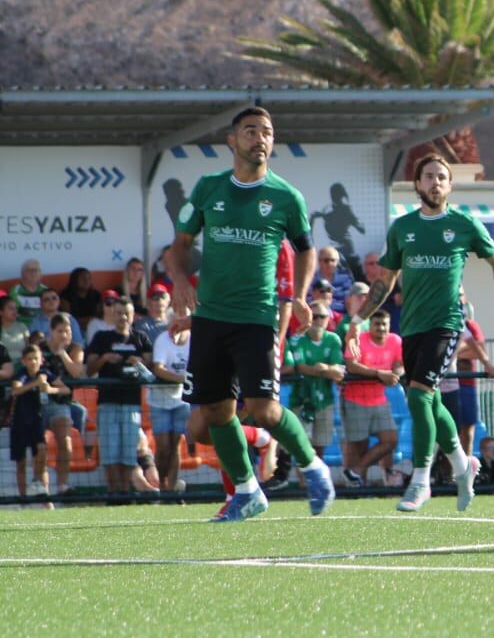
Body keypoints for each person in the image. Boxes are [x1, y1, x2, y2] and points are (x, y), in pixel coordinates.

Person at [163, 106, 336, 521]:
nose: (260, 138)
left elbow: (308, 249)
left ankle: (314, 467)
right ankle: (246, 490)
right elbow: (179, 246)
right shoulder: (208, 188)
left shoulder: (285, 196)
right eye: (251, 130)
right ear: (232, 140)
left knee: (263, 410)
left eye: (268, 132)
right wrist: (182, 282)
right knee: (215, 415)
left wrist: (299, 294)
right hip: (210, 318)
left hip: (257, 317)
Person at [366, 153, 494, 511]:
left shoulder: (464, 225)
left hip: (446, 325)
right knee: (428, 400)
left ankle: (420, 481)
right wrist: (358, 321)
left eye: (441, 177)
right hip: (411, 328)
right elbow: (385, 281)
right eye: (428, 176)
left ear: (450, 185)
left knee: (418, 397)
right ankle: (464, 466)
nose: (435, 182)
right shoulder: (402, 228)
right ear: (417, 184)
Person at [85, 297, 154, 495]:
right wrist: (105, 358)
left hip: (132, 404)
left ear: (133, 316)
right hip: (107, 402)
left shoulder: (141, 338)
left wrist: (139, 361)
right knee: (109, 454)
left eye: (126, 313)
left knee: (128, 455)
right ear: (112, 315)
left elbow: (151, 368)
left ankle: (125, 493)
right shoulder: (101, 338)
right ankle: (113, 493)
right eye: (119, 313)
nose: (123, 317)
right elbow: (89, 370)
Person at [341, 308, 403, 488]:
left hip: (379, 399)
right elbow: (351, 366)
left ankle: (356, 472)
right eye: (377, 324)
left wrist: (396, 373)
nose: (381, 328)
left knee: (391, 440)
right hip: (355, 400)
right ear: (370, 326)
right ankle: (359, 485)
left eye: (385, 324)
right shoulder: (358, 339)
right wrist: (379, 373)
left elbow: (400, 364)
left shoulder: (395, 340)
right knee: (359, 447)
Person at [285, 302, 345, 481]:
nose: (319, 320)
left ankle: (318, 482)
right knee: (302, 446)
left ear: (329, 319)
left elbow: (339, 372)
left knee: (320, 446)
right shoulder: (297, 339)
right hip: (301, 400)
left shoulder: (333, 339)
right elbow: (300, 367)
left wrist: (324, 368)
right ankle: (303, 485)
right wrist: (326, 370)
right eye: (315, 316)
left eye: (323, 317)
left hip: (324, 400)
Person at [11, 343, 64, 503]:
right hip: (20, 423)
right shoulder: (21, 374)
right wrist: (36, 383)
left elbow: (65, 389)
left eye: (35, 358)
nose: (33, 362)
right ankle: (23, 499)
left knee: (42, 452)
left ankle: (43, 494)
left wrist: (50, 389)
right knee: (21, 462)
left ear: (41, 359)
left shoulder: (45, 373)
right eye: (29, 359)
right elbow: (15, 390)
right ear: (24, 361)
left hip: (37, 421)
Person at [40, 314, 85, 496]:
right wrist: (56, 382)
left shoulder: (75, 348)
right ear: (51, 331)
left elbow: (76, 372)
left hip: (61, 404)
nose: (64, 335)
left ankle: (63, 485)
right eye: (60, 331)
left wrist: (62, 354)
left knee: (65, 442)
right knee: (40, 446)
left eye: (67, 331)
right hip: (39, 403)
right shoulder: (40, 349)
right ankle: (41, 487)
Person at [439, 296, 487, 460]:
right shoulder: (439, 321)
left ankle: (465, 468)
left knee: (467, 427)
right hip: (443, 385)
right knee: (448, 429)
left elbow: (478, 351)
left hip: (467, 384)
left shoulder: (470, 325)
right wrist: (456, 349)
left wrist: (451, 351)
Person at [148, 319, 192, 491]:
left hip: (182, 401)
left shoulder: (195, 341)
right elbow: (158, 368)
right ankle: (161, 485)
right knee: (163, 446)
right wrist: (182, 379)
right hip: (160, 401)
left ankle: (171, 489)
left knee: (175, 445)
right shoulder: (162, 340)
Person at [311, 247, 355, 316]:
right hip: (318, 317)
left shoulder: (345, 278)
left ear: (337, 262)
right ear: (319, 261)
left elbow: (350, 300)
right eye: (326, 260)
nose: (330, 263)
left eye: (333, 260)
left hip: (341, 317)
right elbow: (308, 302)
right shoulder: (312, 279)